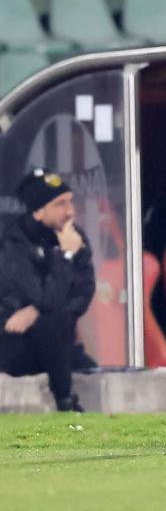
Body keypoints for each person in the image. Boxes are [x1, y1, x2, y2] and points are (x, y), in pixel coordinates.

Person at [0, 168, 95, 412]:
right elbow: (42, 297)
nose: (71, 211)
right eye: (61, 204)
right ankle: (65, 402)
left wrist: (37, 311)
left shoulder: (72, 237)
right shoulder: (13, 244)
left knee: (60, 326)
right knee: (55, 323)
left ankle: (66, 402)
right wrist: (65, 256)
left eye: (71, 202)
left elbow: (83, 295)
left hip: (56, 342)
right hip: (15, 344)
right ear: (39, 212)